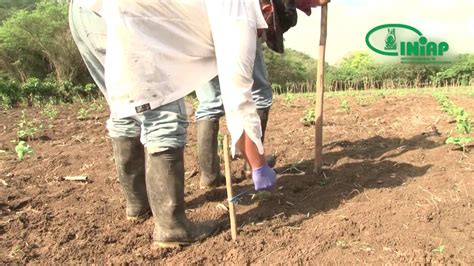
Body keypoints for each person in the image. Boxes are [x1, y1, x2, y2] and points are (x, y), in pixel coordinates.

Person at [69, 0, 327, 248]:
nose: (260, 36)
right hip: (125, 14)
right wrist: (259, 167)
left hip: (89, 13)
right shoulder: (241, 12)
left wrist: (307, 2)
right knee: (163, 114)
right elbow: (238, 100)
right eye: (267, 29)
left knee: (126, 111)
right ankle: (172, 228)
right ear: (266, 7)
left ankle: (138, 206)